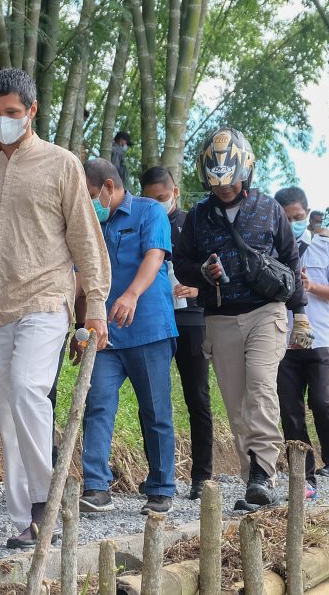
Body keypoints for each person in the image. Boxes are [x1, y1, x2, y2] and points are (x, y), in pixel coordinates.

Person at [0, 68, 110, 547]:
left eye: (12, 113)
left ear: (32, 111)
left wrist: (94, 304)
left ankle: (45, 502)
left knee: (28, 390)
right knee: (9, 410)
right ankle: (23, 524)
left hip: (45, 299)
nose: (2, 121)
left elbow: (86, 240)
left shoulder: (60, 164)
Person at [173, 127, 312, 507]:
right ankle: (252, 477)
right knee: (236, 403)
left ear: (245, 173)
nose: (224, 189)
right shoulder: (199, 216)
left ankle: (264, 473)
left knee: (262, 390)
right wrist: (203, 271)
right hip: (219, 317)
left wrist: (300, 314)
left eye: (230, 183)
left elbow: (291, 261)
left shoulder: (269, 209)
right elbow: (181, 263)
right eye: (217, 184)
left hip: (266, 313)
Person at [77, 160, 177, 515]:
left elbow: (154, 257)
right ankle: (96, 486)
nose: (88, 203)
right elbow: (80, 280)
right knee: (98, 403)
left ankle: (162, 487)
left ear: (107, 186)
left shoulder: (149, 212)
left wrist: (132, 294)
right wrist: (79, 326)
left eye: (90, 195)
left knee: (154, 408)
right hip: (104, 334)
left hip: (148, 330)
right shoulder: (88, 222)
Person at [141, 166, 213, 500]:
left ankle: (202, 475)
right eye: (150, 199)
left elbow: (214, 267)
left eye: (162, 198)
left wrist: (198, 289)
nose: (157, 204)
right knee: (152, 400)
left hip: (192, 320)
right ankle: (157, 473)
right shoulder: (141, 221)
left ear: (176, 192)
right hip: (153, 318)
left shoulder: (195, 222)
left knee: (196, 396)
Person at [274, 187, 329, 498]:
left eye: (299, 217)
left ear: (306, 214)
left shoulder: (325, 248)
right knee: (290, 410)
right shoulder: (270, 250)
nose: (294, 222)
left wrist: (313, 286)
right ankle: (304, 478)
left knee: (323, 401)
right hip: (282, 340)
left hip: (318, 338)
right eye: (287, 218)